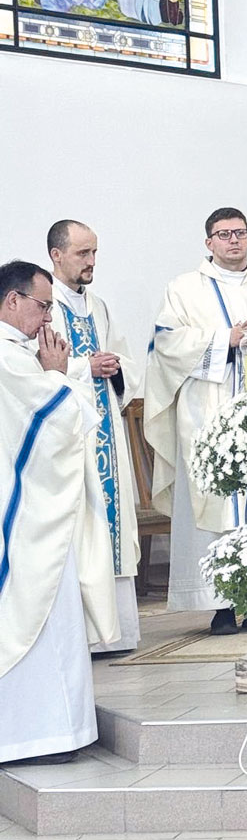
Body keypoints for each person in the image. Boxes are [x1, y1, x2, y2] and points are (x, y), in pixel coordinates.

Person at [143, 208, 247, 632]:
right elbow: (167, 343)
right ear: (209, 242)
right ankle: (218, 604)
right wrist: (225, 340)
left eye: (240, 233)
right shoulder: (183, 289)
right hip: (207, 415)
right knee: (212, 500)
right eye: (224, 234)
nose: (233, 241)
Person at [0, 260, 119, 764]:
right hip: (27, 515)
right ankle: (42, 735)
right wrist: (55, 374)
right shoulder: (8, 356)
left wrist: (53, 373)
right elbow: (51, 424)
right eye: (43, 306)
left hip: (32, 503)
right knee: (38, 613)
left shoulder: (16, 353)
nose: (48, 318)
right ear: (12, 301)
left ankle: (59, 730)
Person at [48, 219, 142, 653]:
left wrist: (115, 367)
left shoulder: (98, 307)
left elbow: (124, 358)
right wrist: (86, 367)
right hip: (70, 437)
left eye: (94, 253)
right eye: (82, 253)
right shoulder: (44, 307)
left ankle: (118, 633)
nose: (91, 262)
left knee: (113, 524)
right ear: (57, 255)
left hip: (106, 430)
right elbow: (35, 368)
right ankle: (85, 636)